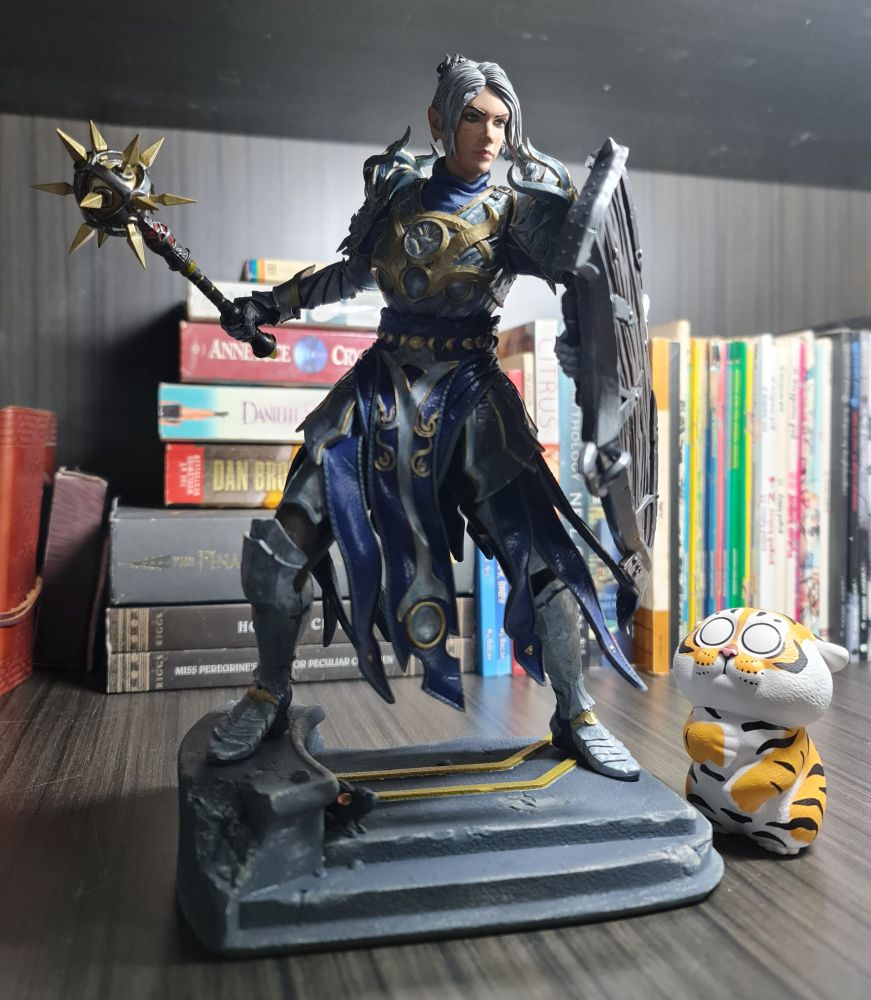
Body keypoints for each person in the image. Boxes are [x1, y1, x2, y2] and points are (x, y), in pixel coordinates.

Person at [208, 54, 646, 780]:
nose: (490, 135)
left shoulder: (519, 207)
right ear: (440, 120)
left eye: (501, 121)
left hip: (473, 396)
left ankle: (576, 712)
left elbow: (587, 282)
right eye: (474, 117)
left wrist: (586, 350)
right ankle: (268, 692)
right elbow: (350, 273)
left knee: (546, 562)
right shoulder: (398, 190)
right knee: (283, 543)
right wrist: (269, 305)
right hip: (379, 389)